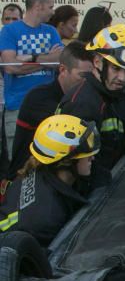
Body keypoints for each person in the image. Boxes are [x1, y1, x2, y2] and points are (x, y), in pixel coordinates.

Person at [58, 25, 125, 186]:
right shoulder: (83, 103)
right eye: (116, 69)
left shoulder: (114, 96)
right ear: (97, 61)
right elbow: (80, 168)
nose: (122, 78)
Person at [0, 114, 98, 246]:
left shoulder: (37, 171)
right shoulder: (47, 218)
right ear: (67, 161)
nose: (92, 158)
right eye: (86, 155)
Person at [9, 41, 92, 178]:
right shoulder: (39, 98)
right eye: (82, 76)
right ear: (63, 70)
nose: (87, 82)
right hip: (23, 180)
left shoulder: (78, 97)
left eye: (91, 77)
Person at [0, 0, 63, 148]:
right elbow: (10, 67)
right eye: (50, 7)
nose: (52, 12)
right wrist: (45, 59)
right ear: (38, 6)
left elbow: (60, 62)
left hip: (48, 106)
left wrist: (32, 58)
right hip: (17, 107)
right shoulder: (9, 31)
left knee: (48, 158)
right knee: (19, 163)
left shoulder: (51, 31)